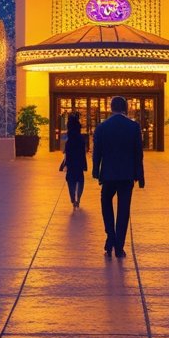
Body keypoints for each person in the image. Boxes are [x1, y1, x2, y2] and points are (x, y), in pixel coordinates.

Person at [92, 96, 145, 258]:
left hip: (108, 175)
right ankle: (119, 246)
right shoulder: (133, 127)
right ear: (125, 108)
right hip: (127, 175)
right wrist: (140, 175)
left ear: (111, 108)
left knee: (106, 202)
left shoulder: (102, 127)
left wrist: (96, 170)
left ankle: (110, 237)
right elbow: (138, 153)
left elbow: (97, 152)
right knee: (124, 209)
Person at [60, 112, 88, 209]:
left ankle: (73, 198)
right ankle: (78, 199)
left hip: (71, 158)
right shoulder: (80, 137)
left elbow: (66, 151)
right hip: (79, 159)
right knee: (80, 178)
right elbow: (83, 151)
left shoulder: (69, 136)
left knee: (70, 178)